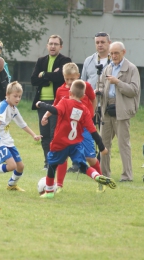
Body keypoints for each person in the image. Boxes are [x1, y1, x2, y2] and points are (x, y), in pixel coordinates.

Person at [36, 79, 116, 199]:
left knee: (52, 165)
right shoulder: (84, 110)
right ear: (83, 95)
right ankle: (96, 176)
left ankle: (49, 192)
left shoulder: (64, 102)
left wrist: (41, 104)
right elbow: (93, 131)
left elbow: (54, 110)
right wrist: (102, 147)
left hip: (60, 143)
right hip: (75, 144)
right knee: (83, 166)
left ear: (70, 93)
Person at [41, 63, 105, 193]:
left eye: (72, 79)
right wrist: (46, 116)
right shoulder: (60, 90)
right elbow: (55, 105)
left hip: (84, 127)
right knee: (62, 156)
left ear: (78, 76)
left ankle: (100, 181)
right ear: (63, 77)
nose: (70, 82)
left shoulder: (84, 86)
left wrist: (90, 115)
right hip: (67, 129)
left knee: (90, 157)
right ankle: (59, 185)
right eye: (67, 79)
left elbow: (93, 99)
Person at [0, 81, 42, 191]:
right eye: (15, 96)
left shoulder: (13, 109)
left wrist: (34, 135)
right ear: (7, 95)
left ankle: (12, 185)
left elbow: (22, 124)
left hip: (6, 139)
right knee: (11, 166)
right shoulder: (3, 106)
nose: (18, 99)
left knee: (20, 166)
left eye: (19, 96)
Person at [99, 41, 140, 182]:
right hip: (106, 109)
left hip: (122, 109)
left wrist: (118, 83)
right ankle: (104, 174)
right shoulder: (107, 68)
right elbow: (101, 84)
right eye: (112, 53)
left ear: (124, 52)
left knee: (123, 144)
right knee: (103, 143)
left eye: (116, 53)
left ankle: (127, 176)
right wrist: (97, 91)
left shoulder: (132, 69)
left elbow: (134, 91)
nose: (114, 56)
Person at [31, 34, 71, 170]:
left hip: (57, 103)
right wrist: (50, 76)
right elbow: (33, 80)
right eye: (51, 44)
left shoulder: (65, 60)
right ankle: (47, 162)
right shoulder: (41, 60)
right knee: (45, 134)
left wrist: (43, 74)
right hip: (41, 102)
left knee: (55, 133)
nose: (53, 46)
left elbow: (60, 78)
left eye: (56, 44)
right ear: (47, 46)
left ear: (61, 46)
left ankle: (56, 162)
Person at [81, 32, 112, 129]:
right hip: (90, 103)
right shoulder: (88, 60)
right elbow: (83, 82)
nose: (100, 45)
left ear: (109, 43)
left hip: (107, 104)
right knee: (88, 134)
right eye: (97, 42)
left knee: (104, 137)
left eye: (103, 42)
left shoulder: (114, 60)